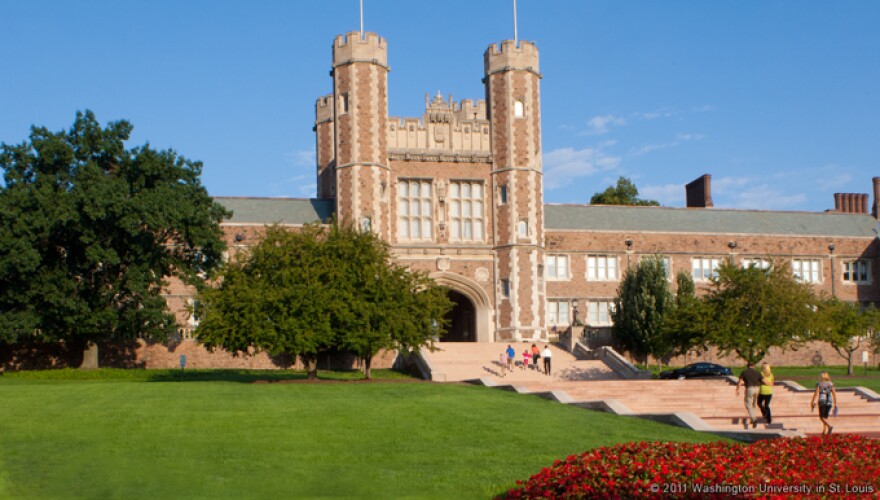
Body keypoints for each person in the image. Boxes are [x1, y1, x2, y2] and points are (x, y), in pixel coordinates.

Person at [735, 361, 762, 428]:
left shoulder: (744, 372)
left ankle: (753, 419)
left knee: (748, 404)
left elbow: (740, 381)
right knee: (754, 404)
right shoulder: (757, 372)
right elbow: (762, 380)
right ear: (754, 366)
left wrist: (737, 389)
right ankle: (754, 416)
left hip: (749, 389)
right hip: (757, 389)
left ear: (747, 366)